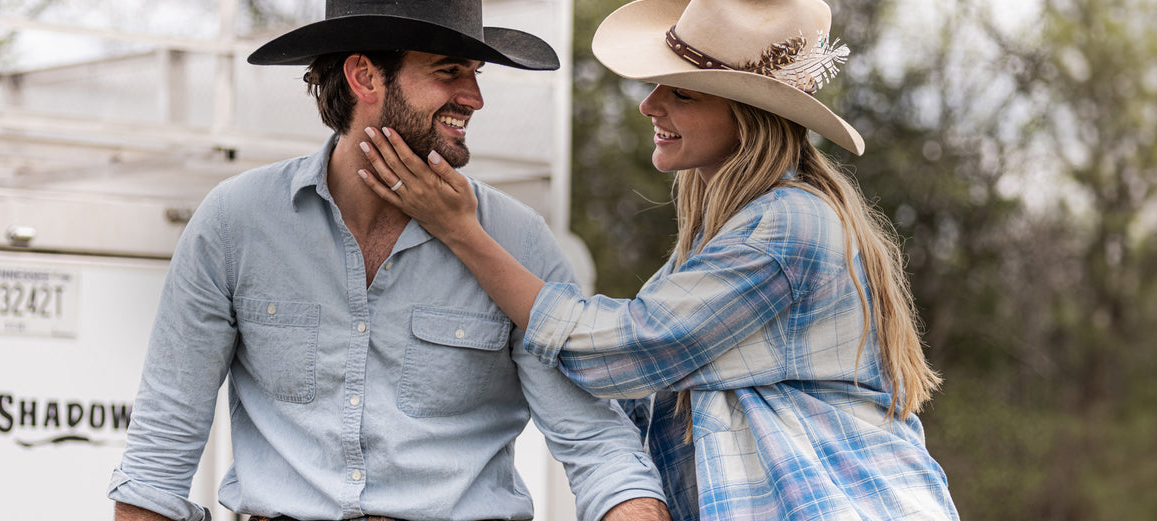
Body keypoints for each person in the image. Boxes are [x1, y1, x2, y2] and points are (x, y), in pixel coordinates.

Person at [354, 0, 960, 519]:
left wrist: (462, 231)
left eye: (682, 93)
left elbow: (623, 349)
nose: (650, 105)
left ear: (744, 118)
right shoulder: (740, 225)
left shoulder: (784, 228)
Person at [108, 1, 670, 521]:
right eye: (450, 71)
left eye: (476, 74)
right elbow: (161, 446)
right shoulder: (236, 221)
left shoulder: (517, 241)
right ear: (364, 77)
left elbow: (598, 446)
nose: (475, 98)